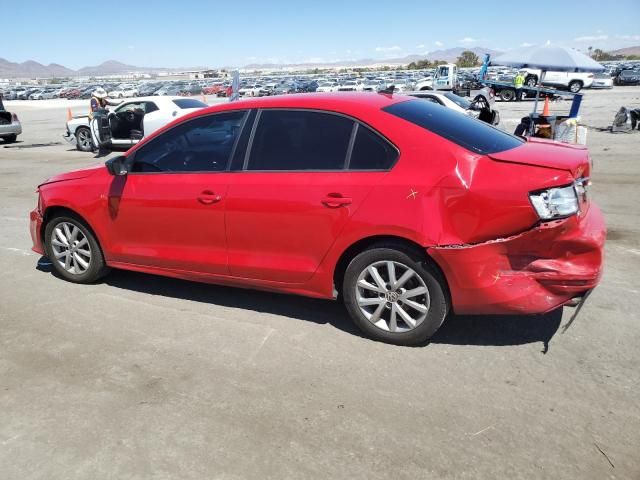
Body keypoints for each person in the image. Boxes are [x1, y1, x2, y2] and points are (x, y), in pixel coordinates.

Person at [88, 88, 120, 156]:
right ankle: (94, 148)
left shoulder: (101, 99)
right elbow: (95, 109)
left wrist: (119, 103)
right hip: (94, 119)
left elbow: (109, 103)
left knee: (101, 133)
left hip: (101, 118)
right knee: (95, 133)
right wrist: (105, 109)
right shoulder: (94, 99)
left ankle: (101, 146)